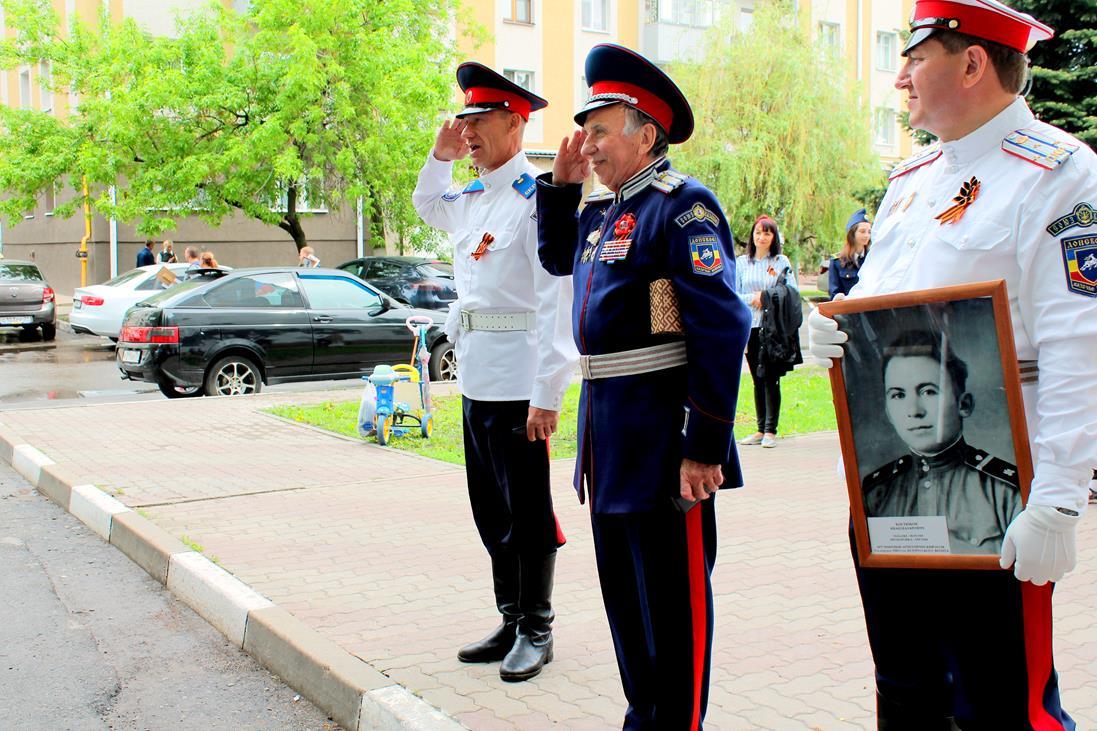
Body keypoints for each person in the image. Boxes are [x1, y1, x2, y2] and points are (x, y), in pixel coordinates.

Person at [808, 0, 1097, 725]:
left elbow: (1079, 344)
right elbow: (877, 302)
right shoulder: (911, 180)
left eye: (915, 59)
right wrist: (832, 331)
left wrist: (1059, 497)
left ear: (971, 64)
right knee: (905, 690)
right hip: (890, 487)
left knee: (1000, 703)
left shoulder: (1058, 174)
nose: (899, 78)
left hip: (1000, 492)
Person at [536, 43, 750, 728]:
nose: (587, 144)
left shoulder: (681, 207)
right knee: (626, 604)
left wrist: (704, 446)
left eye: (600, 130)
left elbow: (722, 326)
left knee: (672, 608)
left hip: (663, 445)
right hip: (608, 441)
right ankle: (643, 715)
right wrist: (561, 189)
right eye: (585, 131)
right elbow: (555, 259)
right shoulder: (602, 213)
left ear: (646, 135)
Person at [411, 62, 575, 683]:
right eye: (465, 120)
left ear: (515, 123)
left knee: (528, 509)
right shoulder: (473, 198)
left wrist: (547, 392)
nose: (469, 132)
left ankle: (537, 627)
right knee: (490, 508)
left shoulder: (535, 201)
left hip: (519, 381)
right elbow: (428, 202)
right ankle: (510, 618)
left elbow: (554, 302)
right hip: (477, 377)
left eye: (479, 121)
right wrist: (440, 156)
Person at [863, 330, 1022, 554]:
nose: (914, 411)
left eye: (929, 391)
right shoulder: (876, 493)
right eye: (898, 395)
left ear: (964, 404)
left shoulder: (1004, 491)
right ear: (888, 412)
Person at [735, 215, 798, 448]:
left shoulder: (781, 261)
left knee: (771, 378)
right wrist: (754, 298)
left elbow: (791, 291)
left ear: (774, 237)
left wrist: (767, 297)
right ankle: (760, 428)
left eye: (767, 233)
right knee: (757, 378)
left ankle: (771, 430)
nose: (762, 237)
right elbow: (733, 293)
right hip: (750, 326)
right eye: (758, 233)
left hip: (773, 328)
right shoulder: (742, 263)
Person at [828, 209, 870, 300]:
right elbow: (834, 294)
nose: (867, 235)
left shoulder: (872, 258)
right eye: (862, 231)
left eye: (869, 232)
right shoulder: (837, 262)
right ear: (852, 233)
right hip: (849, 307)